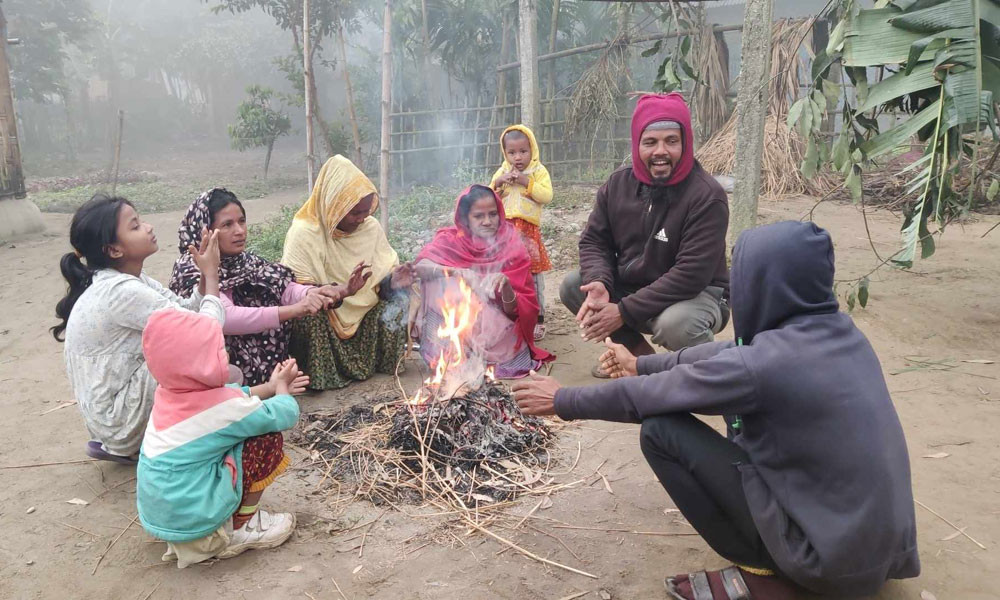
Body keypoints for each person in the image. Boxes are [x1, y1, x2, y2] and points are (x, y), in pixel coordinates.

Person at [515, 222, 920, 599]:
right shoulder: (840, 332)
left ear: (758, 282)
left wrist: (562, 401)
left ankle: (768, 576)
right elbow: (719, 353)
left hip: (828, 562)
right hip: (880, 552)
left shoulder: (763, 365)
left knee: (660, 431)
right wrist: (640, 364)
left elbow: (650, 398)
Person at [560, 92, 730, 378]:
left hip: (697, 295)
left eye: (671, 141)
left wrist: (623, 311)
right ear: (637, 144)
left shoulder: (707, 196)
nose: (660, 151)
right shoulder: (617, 185)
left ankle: (708, 374)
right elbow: (594, 241)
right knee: (574, 286)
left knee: (676, 323)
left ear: (685, 144)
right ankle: (638, 362)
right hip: (636, 287)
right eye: (650, 142)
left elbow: (690, 275)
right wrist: (599, 282)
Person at [52, 193, 225, 465]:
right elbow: (205, 332)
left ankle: (157, 437)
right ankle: (162, 443)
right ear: (114, 250)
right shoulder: (121, 291)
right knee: (200, 360)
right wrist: (213, 274)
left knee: (214, 366)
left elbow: (187, 311)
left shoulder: (130, 280)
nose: (148, 227)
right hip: (118, 423)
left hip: (112, 418)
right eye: (135, 226)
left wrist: (204, 274)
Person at [137, 308, 306, 567]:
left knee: (233, 436)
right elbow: (285, 414)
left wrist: (271, 388)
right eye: (219, 351)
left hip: (165, 517)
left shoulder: (168, 393)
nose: (225, 354)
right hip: (200, 525)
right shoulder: (223, 410)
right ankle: (240, 527)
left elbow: (232, 397)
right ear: (199, 365)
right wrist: (283, 389)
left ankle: (215, 525)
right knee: (266, 440)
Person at [169, 188, 357, 386]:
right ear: (204, 230)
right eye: (227, 225)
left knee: (310, 312)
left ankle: (274, 383)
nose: (239, 231)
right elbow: (226, 317)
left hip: (262, 366)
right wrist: (295, 310)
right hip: (225, 368)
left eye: (241, 221)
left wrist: (313, 293)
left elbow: (283, 288)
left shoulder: (247, 261)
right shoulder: (191, 267)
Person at [280, 155, 417, 390]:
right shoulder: (305, 232)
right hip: (328, 319)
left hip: (364, 320)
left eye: (366, 211)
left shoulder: (370, 228)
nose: (362, 218)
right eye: (355, 213)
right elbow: (299, 295)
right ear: (334, 206)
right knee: (309, 320)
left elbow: (378, 285)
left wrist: (393, 281)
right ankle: (323, 380)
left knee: (397, 304)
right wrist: (344, 291)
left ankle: (383, 367)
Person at [414, 185, 553, 379]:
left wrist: (506, 288)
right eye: (479, 216)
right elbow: (419, 267)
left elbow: (519, 310)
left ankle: (478, 357)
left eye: (493, 214)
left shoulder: (511, 243)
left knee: (451, 285)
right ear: (465, 219)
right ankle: (449, 353)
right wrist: (457, 272)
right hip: (460, 323)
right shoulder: (451, 239)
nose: (487, 222)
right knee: (436, 281)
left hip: (497, 330)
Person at [490, 125, 554, 341]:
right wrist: (498, 183)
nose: (518, 157)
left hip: (528, 234)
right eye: (512, 152)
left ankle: (537, 319)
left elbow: (546, 196)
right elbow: (490, 197)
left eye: (523, 151)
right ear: (505, 153)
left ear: (532, 150)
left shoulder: (538, 172)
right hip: (505, 234)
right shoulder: (502, 172)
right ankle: (512, 315)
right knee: (508, 276)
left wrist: (527, 182)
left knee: (533, 277)